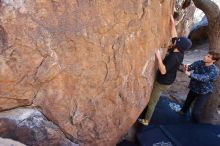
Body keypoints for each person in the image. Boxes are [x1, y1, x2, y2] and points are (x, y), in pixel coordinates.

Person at [138, 15, 192, 125]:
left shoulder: (174, 57)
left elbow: (163, 71)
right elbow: (174, 35)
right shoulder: (179, 51)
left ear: (179, 45)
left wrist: (158, 56)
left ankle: (146, 120)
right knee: (154, 99)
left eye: (178, 41)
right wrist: (172, 23)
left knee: (153, 101)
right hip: (169, 79)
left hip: (163, 82)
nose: (176, 40)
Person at [179, 51, 220, 123]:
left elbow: (204, 78)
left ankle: (196, 126)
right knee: (187, 103)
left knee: (195, 112)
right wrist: (186, 67)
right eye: (206, 55)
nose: (205, 57)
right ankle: (182, 113)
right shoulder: (199, 62)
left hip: (204, 92)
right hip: (194, 87)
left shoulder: (214, 70)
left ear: (213, 60)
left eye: (208, 57)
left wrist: (190, 74)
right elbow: (189, 68)